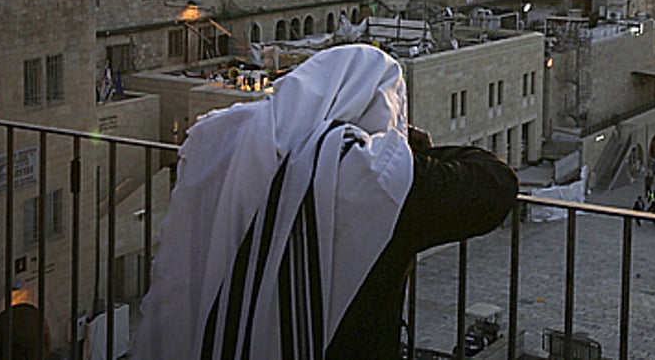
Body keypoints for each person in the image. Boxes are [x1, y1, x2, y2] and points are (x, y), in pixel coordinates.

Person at [131, 45, 518, 360]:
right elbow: (496, 184)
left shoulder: (230, 139)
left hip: (210, 334)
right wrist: (407, 154)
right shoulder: (375, 176)